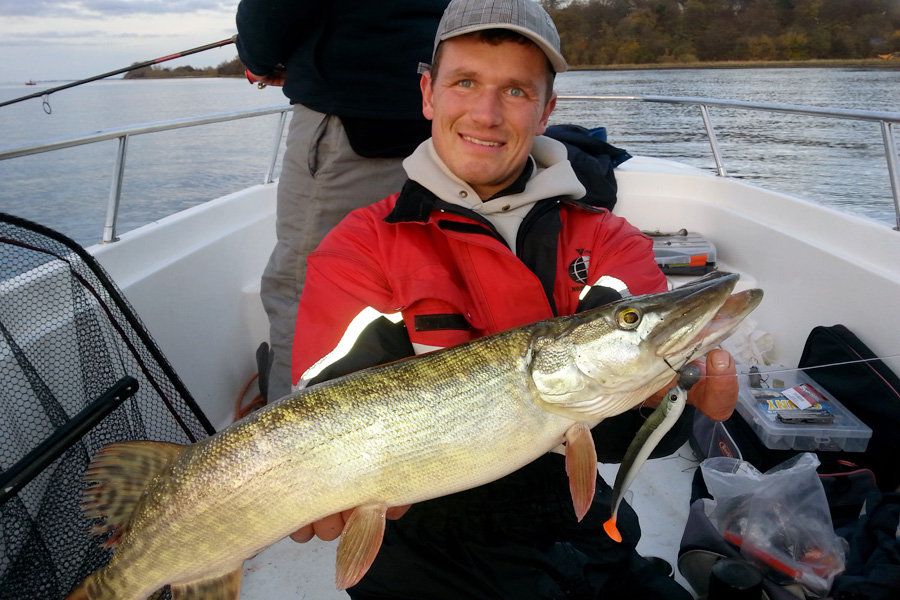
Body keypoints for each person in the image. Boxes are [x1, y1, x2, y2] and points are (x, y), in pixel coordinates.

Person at [290, 0, 739, 597]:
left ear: (547, 109)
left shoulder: (607, 240)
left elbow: (612, 435)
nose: (486, 112)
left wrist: (676, 406)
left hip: (573, 526)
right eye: (465, 82)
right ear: (428, 93)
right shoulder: (361, 247)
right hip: (424, 543)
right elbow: (326, 415)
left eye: (516, 91)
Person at [234, 0, 449, 401]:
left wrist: (258, 61)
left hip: (349, 122)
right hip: (441, 118)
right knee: (414, 281)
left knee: (304, 289)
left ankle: (286, 452)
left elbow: (268, 15)